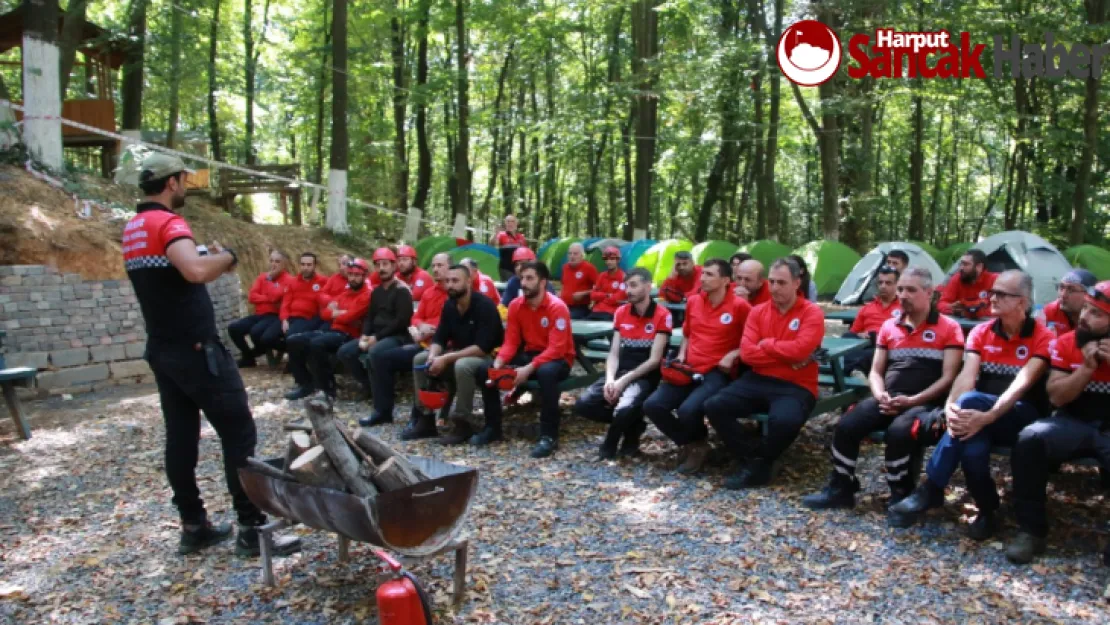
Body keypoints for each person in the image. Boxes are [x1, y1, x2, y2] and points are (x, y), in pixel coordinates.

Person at [123, 153, 299, 557]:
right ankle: (252, 529)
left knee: (181, 438)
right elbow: (195, 272)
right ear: (171, 183)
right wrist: (228, 257)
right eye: (183, 179)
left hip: (164, 348)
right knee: (239, 433)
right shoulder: (168, 222)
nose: (185, 186)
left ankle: (193, 524)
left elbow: (174, 271)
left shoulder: (133, 227)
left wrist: (204, 255)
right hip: (197, 349)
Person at [889, 271, 1053, 538]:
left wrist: (986, 416)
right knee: (971, 446)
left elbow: (1021, 384)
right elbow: (967, 375)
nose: (992, 298)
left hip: (1021, 418)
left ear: (1022, 302)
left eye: (1001, 294)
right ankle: (987, 511)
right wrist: (952, 406)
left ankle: (932, 487)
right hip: (980, 416)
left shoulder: (1042, 336)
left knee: (971, 404)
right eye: (992, 291)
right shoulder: (981, 332)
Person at [802, 267, 964, 510]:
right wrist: (880, 395)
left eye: (911, 289)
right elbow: (876, 371)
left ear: (929, 293)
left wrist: (914, 400)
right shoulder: (890, 326)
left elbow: (949, 377)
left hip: (926, 403)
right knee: (847, 424)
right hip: (889, 397)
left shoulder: (949, 328)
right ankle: (841, 488)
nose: (903, 295)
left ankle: (901, 492)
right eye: (900, 289)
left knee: (901, 431)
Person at [1005, 280, 1110, 565]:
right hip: (1072, 420)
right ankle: (1031, 530)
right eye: (1086, 308)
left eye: (1097, 313)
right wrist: (1087, 369)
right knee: (1031, 439)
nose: (1085, 317)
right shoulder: (1067, 342)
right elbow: (1057, 397)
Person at [705, 258, 824, 489]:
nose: (775, 288)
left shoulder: (812, 313)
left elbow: (802, 350)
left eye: (782, 282)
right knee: (714, 406)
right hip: (758, 378)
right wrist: (785, 354)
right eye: (772, 282)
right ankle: (757, 459)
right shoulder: (758, 312)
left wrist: (767, 344)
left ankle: (759, 464)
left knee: (785, 420)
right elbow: (748, 354)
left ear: (797, 283)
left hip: (796, 384)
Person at [643, 259, 751, 474]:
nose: (703, 278)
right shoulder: (693, 301)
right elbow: (687, 335)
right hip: (688, 368)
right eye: (703, 274)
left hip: (717, 372)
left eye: (710, 274)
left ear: (725, 280)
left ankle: (697, 447)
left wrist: (733, 354)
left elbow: (752, 340)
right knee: (653, 405)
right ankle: (694, 444)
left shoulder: (740, 306)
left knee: (688, 410)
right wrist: (682, 355)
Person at [474, 262, 576, 458]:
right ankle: (493, 427)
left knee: (546, 373)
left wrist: (529, 368)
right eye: (522, 278)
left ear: (543, 282)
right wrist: (499, 362)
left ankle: (549, 436)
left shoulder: (557, 307)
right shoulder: (515, 305)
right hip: (531, 355)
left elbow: (557, 348)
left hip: (559, 359)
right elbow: (511, 341)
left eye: (530, 278)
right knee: (484, 369)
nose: (524, 283)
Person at [575, 267, 672, 459]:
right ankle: (635, 424)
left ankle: (608, 448)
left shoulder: (662, 315)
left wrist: (622, 382)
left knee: (624, 408)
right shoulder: (621, 312)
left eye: (634, 285)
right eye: (627, 285)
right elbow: (614, 353)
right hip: (620, 370)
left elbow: (654, 361)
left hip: (644, 375)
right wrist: (611, 379)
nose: (628, 290)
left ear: (648, 285)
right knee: (583, 405)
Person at [412, 264, 504, 445]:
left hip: (488, 358)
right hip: (458, 355)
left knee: (463, 365)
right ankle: (425, 417)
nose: (450, 285)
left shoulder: (484, 306)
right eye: (447, 281)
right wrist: (433, 355)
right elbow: (439, 337)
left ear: (468, 282)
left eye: (455, 281)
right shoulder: (449, 305)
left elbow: (482, 347)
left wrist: (445, 358)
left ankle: (463, 423)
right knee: (420, 358)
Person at [360, 254, 450, 431]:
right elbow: (415, 317)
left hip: (443, 345)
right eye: (434, 265)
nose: (437, 269)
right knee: (380, 357)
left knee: (415, 360)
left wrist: (430, 326)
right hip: (421, 342)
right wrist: (420, 325)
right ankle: (382, 411)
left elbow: (452, 318)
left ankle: (419, 417)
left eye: (441, 265)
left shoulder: (454, 292)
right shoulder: (429, 292)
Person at [340, 248, 415, 417]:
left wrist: (376, 338)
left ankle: (381, 402)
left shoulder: (402, 291)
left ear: (393, 266)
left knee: (375, 352)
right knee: (346, 352)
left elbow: (401, 321)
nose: (382, 268)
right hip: (376, 335)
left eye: (385, 264)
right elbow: (370, 317)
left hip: (398, 337)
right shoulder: (376, 292)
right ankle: (370, 387)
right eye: (378, 265)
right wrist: (365, 335)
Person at [284, 258, 373, 400]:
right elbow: (324, 314)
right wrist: (340, 313)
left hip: (350, 335)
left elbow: (350, 317)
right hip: (334, 331)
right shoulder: (345, 293)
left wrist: (337, 313)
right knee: (294, 340)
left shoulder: (367, 295)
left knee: (317, 344)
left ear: (364, 276)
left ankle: (327, 389)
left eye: (357, 275)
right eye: (351, 275)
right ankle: (305, 384)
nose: (353, 278)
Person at [229, 250, 293, 367]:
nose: (273, 264)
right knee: (234, 328)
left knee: (256, 331)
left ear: (284, 264)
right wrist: (269, 297)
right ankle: (248, 356)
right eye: (271, 261)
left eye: (277, 262)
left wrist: (270, 284)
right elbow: (252, 297)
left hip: (274, 315)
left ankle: (259, 351)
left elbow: (275, 296)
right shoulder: (262, 277)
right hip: (259, 314)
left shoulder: (288, 280)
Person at [841, 265, 903, 376]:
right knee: (847, 338)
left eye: (888, 283)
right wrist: (860, 334)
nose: (883, 286)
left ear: (897, 285)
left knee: (877, 351)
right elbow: (853, 333)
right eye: (880, 282)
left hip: (888, 345)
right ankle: (855, 372)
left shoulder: (904, 307)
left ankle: (852, 372)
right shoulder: (867, 308)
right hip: (867, 342)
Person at [280, 252, 329, 338]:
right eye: (303, 264)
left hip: (308, 318)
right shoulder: (292, 282)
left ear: (314, 266)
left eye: (309, 265)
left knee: (290, 336)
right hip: (290, 317)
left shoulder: (324, 281)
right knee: (267, 336)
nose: (305, 268)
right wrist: (284, 320)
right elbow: (285, 303)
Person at [939, 249, 998, 319]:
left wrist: (969, 312)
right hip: (962, 326)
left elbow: (1000, 308)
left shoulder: (995, 280)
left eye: (965, 264)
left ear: (979, 266)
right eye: (960, 264)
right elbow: (941, 303)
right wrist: (950, 308)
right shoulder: (957, 278)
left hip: (987, 325)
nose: (961, 268)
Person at [1037, 269, 1097, 337]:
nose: (1063, 295)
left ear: (1088, 295)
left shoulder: (1098, 320)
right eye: (1061, 287)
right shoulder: (1049, 312)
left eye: (1071, 290)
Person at [561, 242, 600, 319]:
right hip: (564, 305)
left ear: (582, 255)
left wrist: (584, 293)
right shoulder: (565, 268)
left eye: (575, 254)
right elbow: (565, 285)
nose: (572, 256)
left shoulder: (589, 268)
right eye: (570, 253)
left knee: (566, 318)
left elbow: (600, 288)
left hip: (580, 307)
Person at [587, 246, 627, 321]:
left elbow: (618, 299)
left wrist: (600, 297)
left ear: (617, 260)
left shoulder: (623, 277)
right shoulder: (601, 275)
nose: (608, 262)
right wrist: (607, 295)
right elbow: (593, 295)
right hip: (596, 311)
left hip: (611, 313)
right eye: (606, 259)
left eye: (612, 259)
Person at [492, 214, 528, 280]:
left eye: (513, 221)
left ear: (516, 224)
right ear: (505, 223)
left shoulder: (521, 237)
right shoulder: (501, 234)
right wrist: (495, 234)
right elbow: (492, 245)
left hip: (519, 269)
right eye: (508, 221)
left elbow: (525, 253)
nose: (510, 224)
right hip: (506, 268)